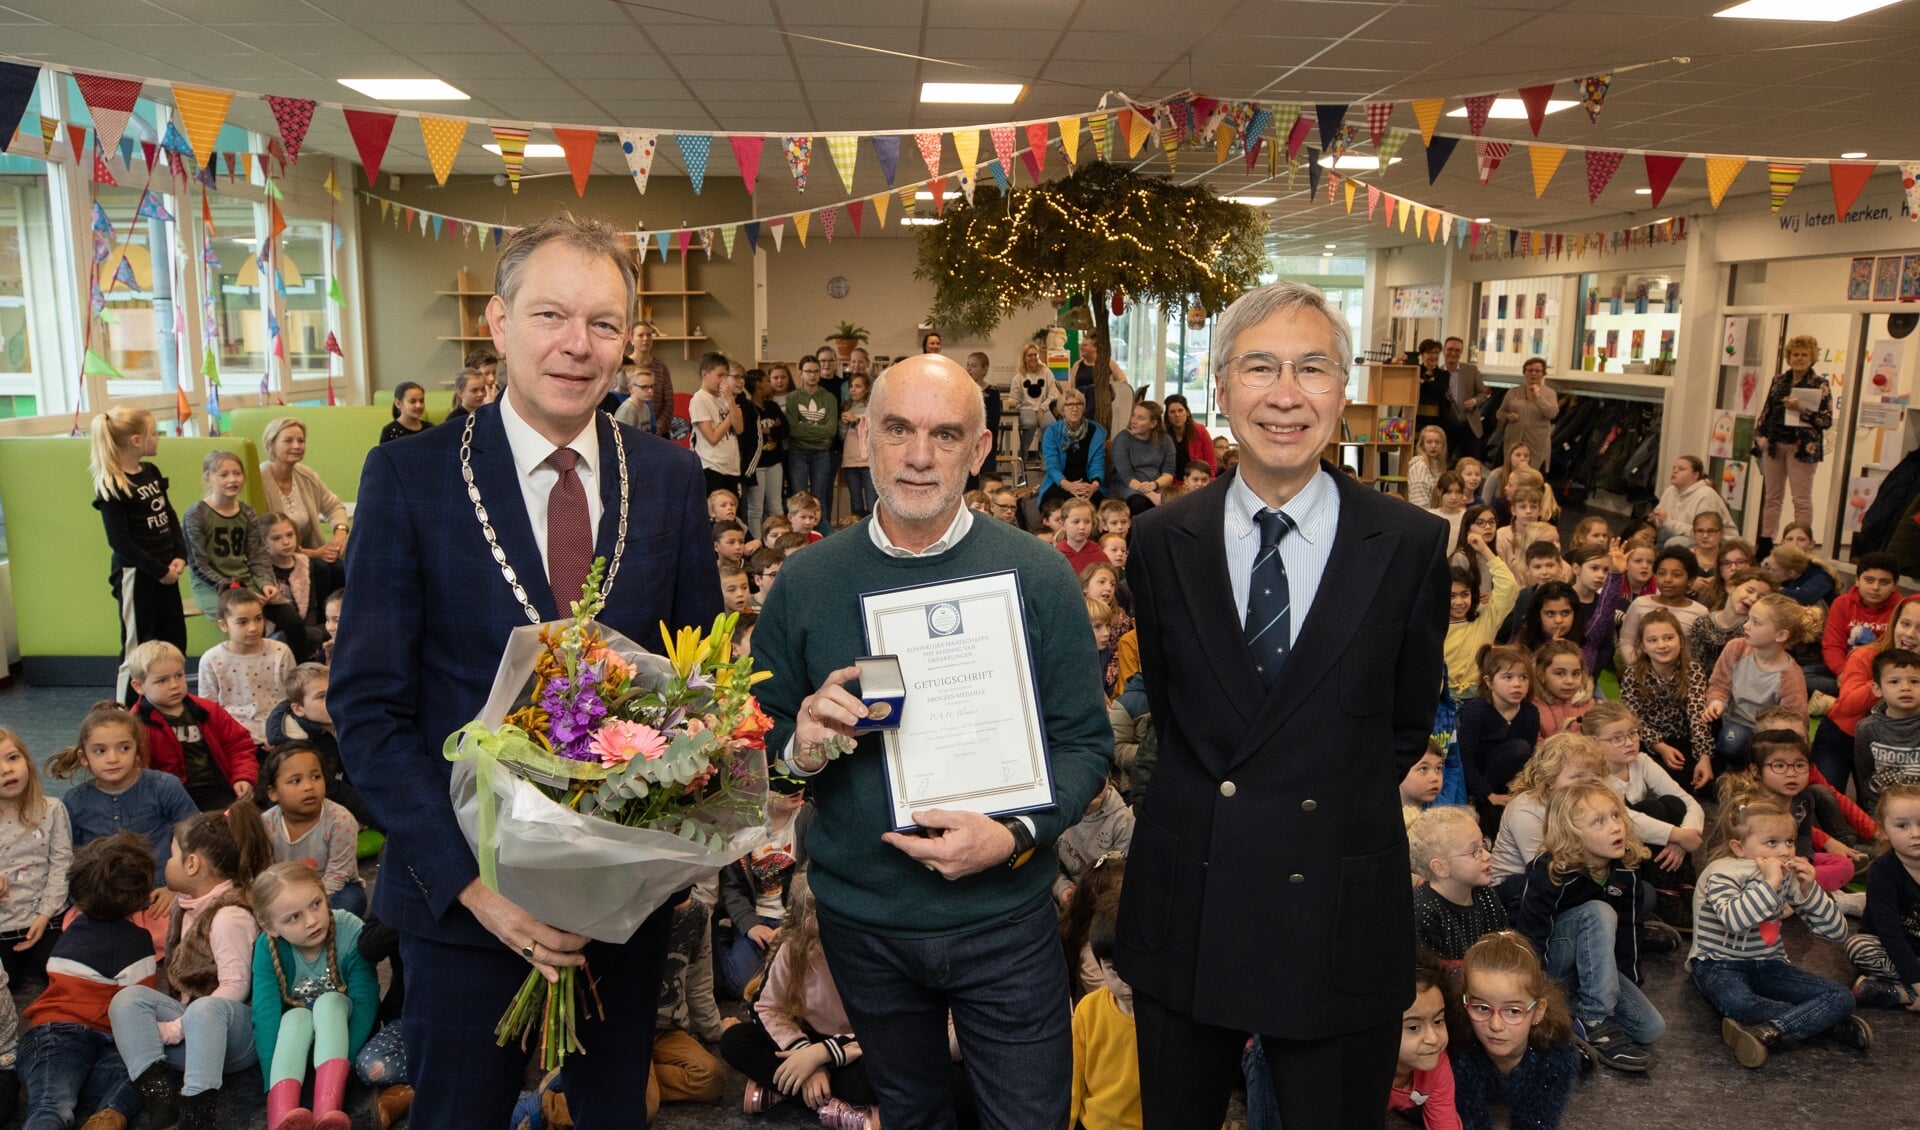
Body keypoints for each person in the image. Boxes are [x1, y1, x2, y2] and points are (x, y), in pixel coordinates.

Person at [332, 213, 722, 1130]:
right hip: (461, 902)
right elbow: (369, 708)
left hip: (616, 909)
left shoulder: (668, 478)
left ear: (630, 342)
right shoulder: (409, 478)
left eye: (603, 324)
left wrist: (627, 873)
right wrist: (479, 889)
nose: (576, 346)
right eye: (550, 316)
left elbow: (697, 691)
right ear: (500, 324)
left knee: (614, 1114)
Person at [1113, 281, 1450, 1129]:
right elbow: (1181, 705)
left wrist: (1327, 801)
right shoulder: (1161, 541)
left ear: (1344, 390)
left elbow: (1408, 720)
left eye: (1313, 368)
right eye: (1260, 367)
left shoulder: (1409, 543)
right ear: (1221, 389)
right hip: (1193, 894)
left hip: (1335, 893)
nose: (1287, 394)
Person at [752, 352, 1111, 1128]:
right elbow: (761, 741)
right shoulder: (807, 581)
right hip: (864, 923)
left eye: (945, 434)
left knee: (1029, 1118)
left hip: (1005, 915)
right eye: (898, 430)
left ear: (979, 451)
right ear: (865, 438)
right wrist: (802, 743)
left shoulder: (1038, 575)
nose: (919, 456)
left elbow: (1085, 743)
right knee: (910, 1116)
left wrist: (1015, 833)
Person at [111, 803, 272, 1130]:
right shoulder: (184, 907)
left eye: (171, 856)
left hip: (238, 1036)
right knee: (126, 1000)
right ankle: (161, 1098)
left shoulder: (228, 915)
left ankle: (198, 1114)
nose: (166, 863)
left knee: (204, 1008)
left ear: (193, 864)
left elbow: (236, 987)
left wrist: (177, 1028)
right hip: (196, 1030)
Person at [1689, 787, 1864, 1066]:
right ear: (1739, 847)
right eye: (1772, 843)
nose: (1784, 851)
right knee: (1739, 1003)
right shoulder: (1721, 873)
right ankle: (1821, 1023)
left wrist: (1810, 890)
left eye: (1789, 841)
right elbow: (1736, 920)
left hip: (1770, 964)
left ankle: (1770, 1031)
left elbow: (1836, 932)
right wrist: (1769, 883)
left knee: (1841, 997)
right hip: (1719, 964)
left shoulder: (1786, 876)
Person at [1511, 783, 1665, 1073]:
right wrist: (1538, 992)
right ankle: (1594, 1020)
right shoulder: (1550, 870)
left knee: (1651, 1029)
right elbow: (1532, 936)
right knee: (1599, 911)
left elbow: (1630, 926)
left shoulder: (1626, 867)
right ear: (1573, 835)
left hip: (1592, 965)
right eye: (1599, 821)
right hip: (1551, 964)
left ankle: (1578, 1016)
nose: (1615, 827)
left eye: (1616, 816)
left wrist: (1628, 978)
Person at [17, 832, 155, 1130]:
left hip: (47, 1037)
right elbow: (137, 1007)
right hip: (76, 1038)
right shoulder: (138, 941)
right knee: (150, 1070)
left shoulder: (74, 927)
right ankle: (110, 1114)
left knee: (53, 1105)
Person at [250, 862, 379, 1130]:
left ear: (324, 893)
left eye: (316, 904)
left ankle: (328, 1107)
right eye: (293, 917)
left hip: (341, 1044)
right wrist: (268, 1080)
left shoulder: (349, 928)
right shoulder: (267, 945)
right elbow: (265, 1014)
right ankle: (281, 1114)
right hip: (299, 1044)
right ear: (270, 926)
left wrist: (350, 1060)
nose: (311, 921)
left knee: (330, 1001)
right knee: (295, 1016)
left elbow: (365, 1001)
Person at [89, 406, 187, 703]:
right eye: (153, 433)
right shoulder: (112, 485)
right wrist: (159, 570)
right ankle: (121, 713)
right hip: (138, 576)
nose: (158, 438)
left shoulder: (151, 472)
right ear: (135, 440)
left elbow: (169, 517)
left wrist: (180, 555)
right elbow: (120, 541)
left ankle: (171, 705)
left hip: (167, 572)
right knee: (136, 648)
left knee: (173, 641)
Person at [182, 450, 315, 662]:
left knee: (293, 622)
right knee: (246, 623)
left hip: (246, 581)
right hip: (212, 586)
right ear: (208, 478)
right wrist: (236, 589)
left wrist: (266, 584)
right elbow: (198, 565)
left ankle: (298, 677)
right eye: (223, 474)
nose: (232, 479)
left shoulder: (247, 513)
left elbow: (258, 557)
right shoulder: (196, 514)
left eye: (237, 473)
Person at [1447, 932, 1579, 1130]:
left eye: (1513, 1011)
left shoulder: (1557, 1058)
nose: (1496, 1026)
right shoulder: (1459, 1051)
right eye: (1482, 1008)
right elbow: (1469, 1120)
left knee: (1571, 1039)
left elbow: (1538, 1122)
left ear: (1537, 1011)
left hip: (1548, 1040)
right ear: (1464, 1003)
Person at [125, 639, 258, 812]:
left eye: (179, 675)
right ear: (139, 686)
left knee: (239, 826)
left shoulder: (208, 710)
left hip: (216, 790)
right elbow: (137, 769)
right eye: (162, 681)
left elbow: (239, 745)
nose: (174, 685)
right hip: (166, 798)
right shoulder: (135, 723)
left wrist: (243, 777)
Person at [1706, 594, 1811, 770]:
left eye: (1756, 622)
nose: (1746, 625)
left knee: (1739, 743)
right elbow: (1719, 684)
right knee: (1732, 741)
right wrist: (1717, 702)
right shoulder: (1736, 648)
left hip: (1766, 737)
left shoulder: (1790, 675)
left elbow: (1796, 722)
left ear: (1781, 635)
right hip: (1733, 725)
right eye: (1748, 619)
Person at [259, 743, 365, 916]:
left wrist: (308, 905)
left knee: (349, 902)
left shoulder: (341, 821)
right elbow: (265, 873)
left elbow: (338, 876)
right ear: (273, 793)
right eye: (296, 781)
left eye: (316, 777)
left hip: (333, 889)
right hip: (284, 891)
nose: (309, 786)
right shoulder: (265, 824)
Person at [0, 727, 70, 988]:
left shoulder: (51, 809)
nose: (7, 769)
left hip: (47, 919)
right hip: (2, 924)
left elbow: (62, 865)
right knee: (8, 985)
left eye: (12, 758)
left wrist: (44, 915)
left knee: (59, 976)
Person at [1619, 610, 1715, 793]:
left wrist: (1704, 757)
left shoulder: (1693, 670)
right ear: (1642, 646)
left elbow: (1697, 716)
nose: (1662, 645)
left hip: (1683, 738)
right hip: (1647, 740)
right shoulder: (1633, 673)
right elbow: (1631, 718)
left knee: (1698, 780)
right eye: (1652, 640)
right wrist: (1659, 745)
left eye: (1668, 638)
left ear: (1680, 640)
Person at [1754, 334, 1832, 553]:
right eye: (1795, 354)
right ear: (1789, 357)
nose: (1799, 358)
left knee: (1801, 499)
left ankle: (1801, 545)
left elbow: (1825, 420)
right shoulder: (1779, 381)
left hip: (1802, 449)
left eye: (1804, 355)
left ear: (1812, 357)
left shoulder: (1820, 384)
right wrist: (1759, 436)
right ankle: (1765, 543)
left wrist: (1802, 411)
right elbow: (1767, 411)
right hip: (1774, 445)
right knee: (1772, 497)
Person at [1070, 890, 1140, 1130]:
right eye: (1113, 969)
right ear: (1099, 965)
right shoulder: (1088, 1012)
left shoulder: (1164, 1019)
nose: (1126, 980)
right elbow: (1072, 1083)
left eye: (1134, 966)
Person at [1847, 783, 1920, 1009]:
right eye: (1902, 826)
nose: (1915, 833)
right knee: (1858, 946)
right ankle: (1911, 991)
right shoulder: (1882, 871)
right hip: (1890, 946)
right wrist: (1918, 984)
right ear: (1883, 831)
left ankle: (1898, 994)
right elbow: (1890, 934)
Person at [198, 588, 297, 745]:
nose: (253, 627)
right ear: (224, 625)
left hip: (280, 727)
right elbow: (208, 710)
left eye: (258, 619)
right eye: (242, 622)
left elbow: (294, 698)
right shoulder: (211, 660)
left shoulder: (280, 651)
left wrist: (277, 732)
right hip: (235, 735)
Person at [1409, 805, 1509, 962]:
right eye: (1474, 851)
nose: (1487, 855)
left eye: (1483, 845)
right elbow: (1432, 976)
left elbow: (1503, 951)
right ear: (1440, 867)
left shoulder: (1486, 896)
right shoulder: (1422, 911)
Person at [259, 418, 350, 564]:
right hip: (277, 560)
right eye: (288, 441)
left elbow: (334, 507)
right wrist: (315, 554)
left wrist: (339, 534)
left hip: (311, 556)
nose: (296, 446)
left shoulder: (306, 476)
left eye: (301, 441)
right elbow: (263, 539)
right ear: (271, 445)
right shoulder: (259, 480)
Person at [1616, 548, 1708, 667]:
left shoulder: (1700, 612)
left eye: (1676, 575)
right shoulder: (1639, 604)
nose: (1667, 579)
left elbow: (1699, 652)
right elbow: (1626, 641)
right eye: (1662, 573)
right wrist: (1637, 667)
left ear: (1690, 580)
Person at [739, 367, 789, 535]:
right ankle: (757, 545)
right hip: (756, 466)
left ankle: (780, 541)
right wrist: (769, 428)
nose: (771, 384)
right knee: (755, 509)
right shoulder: (747, 408)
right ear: (758, 384)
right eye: (767, 380)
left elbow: (785, 431)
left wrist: (768, 431)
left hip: (774, 462)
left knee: (776, 506)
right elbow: (747, 435)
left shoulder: (772, 407)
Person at [689, 351, 744, 498]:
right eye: (719, 376)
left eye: (726, 376)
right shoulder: (699, 400)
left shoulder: (725, 398)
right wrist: (729, 417)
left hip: (731, 466)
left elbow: (739, 429)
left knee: (733, 515)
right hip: (712, 466)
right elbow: (712, 437)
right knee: (717, 514)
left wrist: (730, 400)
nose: (723, 380)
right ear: (705, 374)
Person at [1107, 401, 1178, 515]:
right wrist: (1151, 495)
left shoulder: (1165, 440)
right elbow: (1126, 477)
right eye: (1133, 416)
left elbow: (1168, 474)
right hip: (1127, 486)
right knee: (1139, 502)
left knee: (1171, 500)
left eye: (1140, 418)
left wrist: (1154, 484)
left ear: (1153, 423)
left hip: (1154, 484)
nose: (1134, 421)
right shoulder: (1122, 439)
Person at [1039, 389, 1106, 507]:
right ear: (1062, 410)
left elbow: (1098, 464)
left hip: (1087, 484)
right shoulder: (1052, 432)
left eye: (1079, 404)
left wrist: (1093, 486)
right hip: (1060, 482)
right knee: (1057, 507)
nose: (1074, 409)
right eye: (1069, 405)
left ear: (1084, 408)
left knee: (1096, 506)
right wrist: (1069, 486)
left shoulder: (1096, 432)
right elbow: (1052, 467)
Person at [785, 355, 839, 504]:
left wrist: (804, 426)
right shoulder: (793, 397)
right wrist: (817, 430)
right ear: (800, 373)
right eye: (808, 371)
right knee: (799, 498)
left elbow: (830, 430)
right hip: (798, 453)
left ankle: (819, 528)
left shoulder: (829, 398)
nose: (813, 375)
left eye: (816, 371)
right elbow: (793, 430)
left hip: (821, 453)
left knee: (819, 498)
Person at [1649, 456, 1732, 547]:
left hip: (1713, 542)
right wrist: (1656, 519)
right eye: (1674, 468)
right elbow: (1663, 523)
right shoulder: (1670, 491)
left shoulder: (1706, 495)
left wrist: (1668, 522)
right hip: (1678, 534)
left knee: (1674, 543)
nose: (1675, 471)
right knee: (1647, 535)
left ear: (1695, 475)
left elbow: (1702, 532)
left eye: (1681, 469)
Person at [1495, 359, 1559, 474]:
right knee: (1512, 475)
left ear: (1543, 374)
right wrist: (1508, 416)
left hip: (1537, 443)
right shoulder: (1513, 392)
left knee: (1532, 476)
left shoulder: (1550, 393)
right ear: (1524, 372)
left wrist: (1538, 396)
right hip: (1514, 441)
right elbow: (1499, 413)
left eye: (1537, 371)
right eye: (1530, 370)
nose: (1533, 374)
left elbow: (1552, 413)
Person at [622, 321, 675, 440]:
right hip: (632, 432)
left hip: (659, 434)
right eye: (640, 335)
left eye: (649, 335)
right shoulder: (623, 366)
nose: (645, 339)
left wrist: (657, 428)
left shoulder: (661, 367)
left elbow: (668, 402)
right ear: (631, 338)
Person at [1012, 342, 1060, 461]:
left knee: (1050, 425)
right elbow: (1014, 397)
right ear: (1024, 358)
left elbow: (1053, 394)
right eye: (1029, 355)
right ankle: (1022, 455)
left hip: (1045, 407)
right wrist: (1012, 403)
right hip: (1026, 408)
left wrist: (1042, 408)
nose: (1033, 358)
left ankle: (1045, 457)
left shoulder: (1046, 372)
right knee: (1030, 424)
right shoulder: (1019, 377)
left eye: (1035, 355)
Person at [1443, 336, 1487, 461]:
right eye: (1450, 349)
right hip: (1447, 427)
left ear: (1461, 352)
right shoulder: (1439, 373)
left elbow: (1483, 394)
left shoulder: (1471, 371)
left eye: (1457, 350)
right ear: (1443, 351)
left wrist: (1474, 401)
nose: (1453, 353)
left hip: (1470, 426)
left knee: (1470, 464)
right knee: (1443, 463)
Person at [840, 372, 875, 518]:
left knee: (872, 501)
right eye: (851, 386)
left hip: (867, 461)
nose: (853, 390)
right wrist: (842, 424)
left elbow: (872, 434)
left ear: (867, 389)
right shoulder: (847, 407)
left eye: (858, 386)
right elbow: (843, 436)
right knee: (855, 502)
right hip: (850, 460)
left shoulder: (872, 408)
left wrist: (855, 421)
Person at [1161, 394, 1214, 476]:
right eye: (1172, 412)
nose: (1177, 415)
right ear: (1167, 416)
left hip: (1198, 482)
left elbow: (1212, 465)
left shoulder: (1200, 431)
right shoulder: (1163, 435)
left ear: (1187, 412)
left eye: (1180, 410)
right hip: (1171, 485)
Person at [1408, 425, 1448, 509]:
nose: (1433, 446)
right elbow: (1419, 503)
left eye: (1437, 442)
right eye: (1429, 442)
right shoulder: (1420, 466)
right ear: (1422, 445)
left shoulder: (1439, 465)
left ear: (1442, 445)